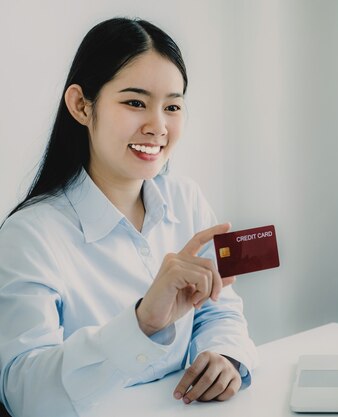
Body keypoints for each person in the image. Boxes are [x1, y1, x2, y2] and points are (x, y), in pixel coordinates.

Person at [0, 17, 258, 417]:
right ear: (81, 106)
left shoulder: (186, 199)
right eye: (135, 102)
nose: (158, 126)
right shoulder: (30, 235)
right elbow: (24, 394)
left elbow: (219, 308)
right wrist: (140, 324)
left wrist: (224, 356)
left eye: (172, 106)